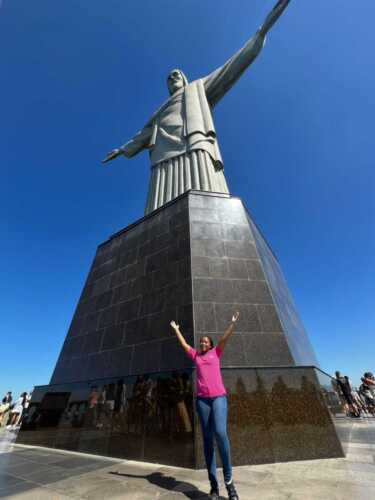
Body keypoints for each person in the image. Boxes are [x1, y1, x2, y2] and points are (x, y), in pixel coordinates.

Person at [103, 0, 292, 215]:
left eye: (176, 74)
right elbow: (143, 136)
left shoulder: (198, 88)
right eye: (168, 77)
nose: (172, 77)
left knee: (204, 190)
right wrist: (122, 149)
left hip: (193, 140)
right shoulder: (158, 113)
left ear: (184, 79)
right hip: (163, 152)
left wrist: (259, 34)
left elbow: (230, 68)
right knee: (160, 203)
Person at [170, 311, 240, 500]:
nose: (203, 343)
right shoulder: (196, 357)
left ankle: (229, 483)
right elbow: (184, 345)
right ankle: (214, 487)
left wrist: (232, 324)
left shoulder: (216, 353)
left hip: (218, 398)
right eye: (201, 342)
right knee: (208, 442)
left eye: (206, 342)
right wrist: (177, 330)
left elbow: (225, 339)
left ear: (210, 344)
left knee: (220, 432)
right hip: (202, 401)